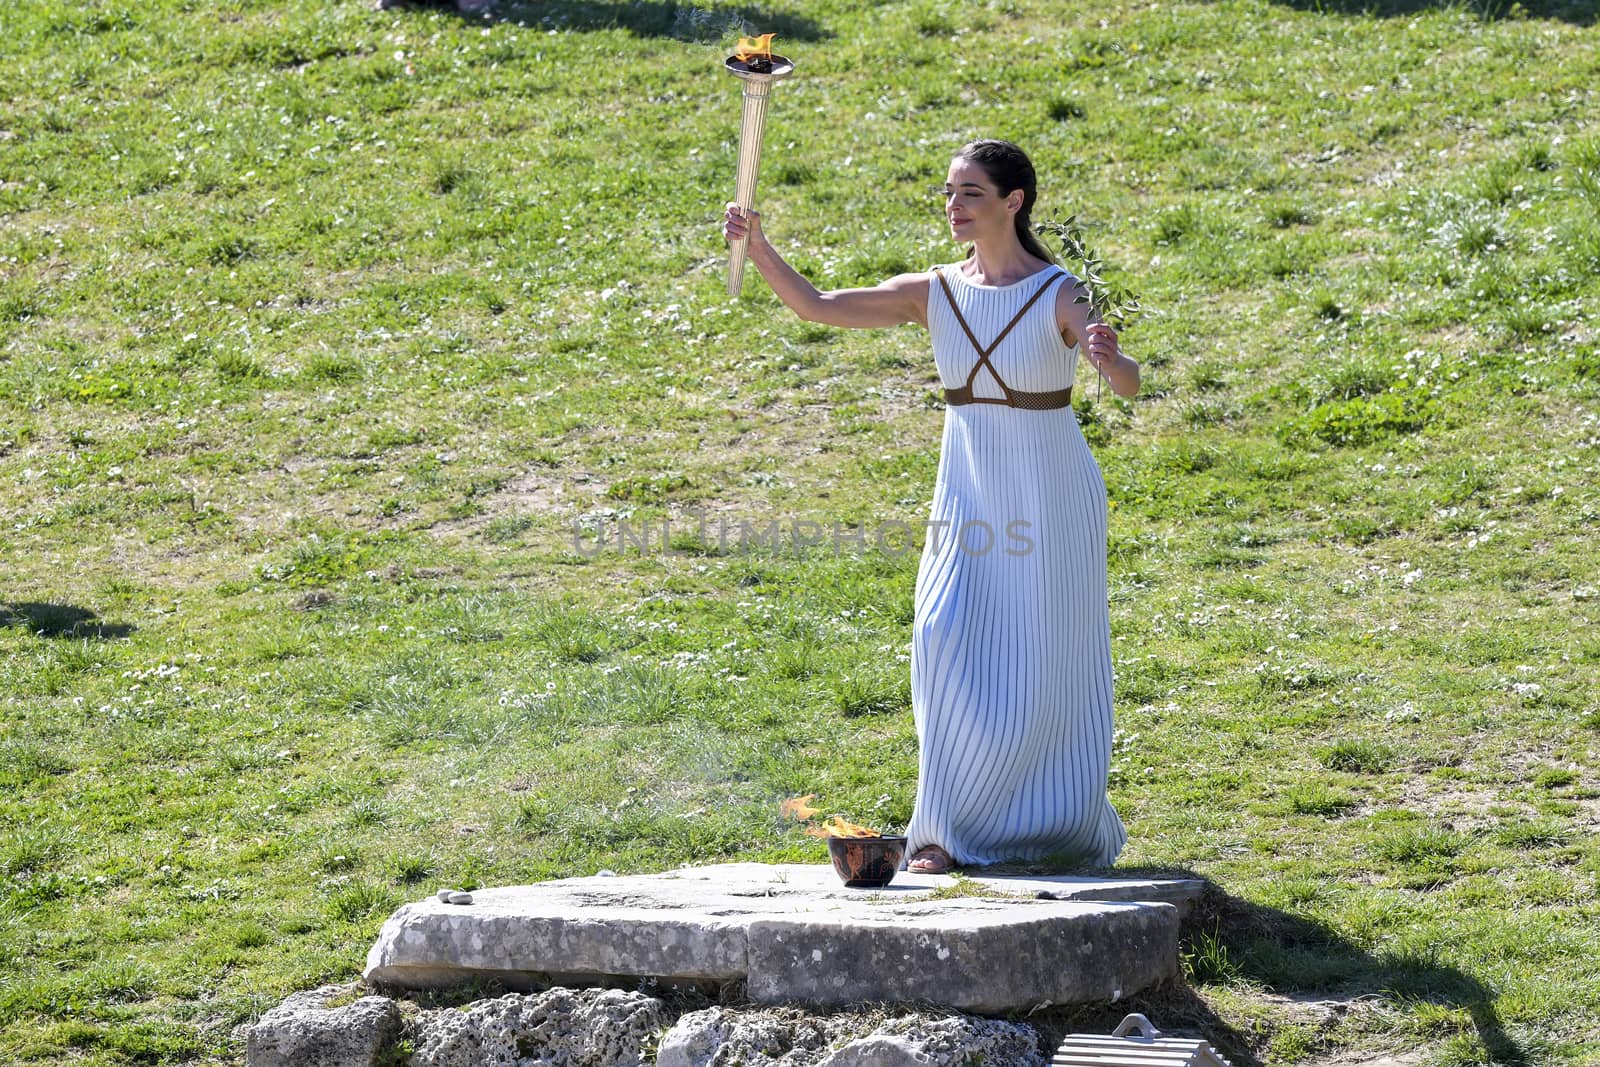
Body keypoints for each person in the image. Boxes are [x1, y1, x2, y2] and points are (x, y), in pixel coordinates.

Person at [723, 139, 1139, 874]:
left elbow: (1129, 380)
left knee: (1046, 661)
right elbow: (820, 307)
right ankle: (943, 831)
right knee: (942, 636)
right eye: (949, 192)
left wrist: (1109, 358)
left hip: (1051, 494)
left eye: (971, 192)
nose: (954, 205)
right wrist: (760, 250)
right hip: (969, 489)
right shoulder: (934, 290)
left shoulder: (1063, 291)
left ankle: (1054, 824)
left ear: (1013, 202)